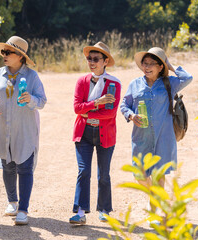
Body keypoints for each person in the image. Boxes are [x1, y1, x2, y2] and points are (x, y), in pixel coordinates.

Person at [120, 47, 192, 220]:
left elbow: (188, 78)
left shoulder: (169, 83)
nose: (147, 66)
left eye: (152, 63)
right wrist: (130, 115)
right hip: (141, 137)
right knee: (139, 174)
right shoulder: (135, 84)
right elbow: (124, 104)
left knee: (159, 174)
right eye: (145, 63)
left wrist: (170, 65)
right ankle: (154, 196)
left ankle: (154, 211)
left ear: (161, 67)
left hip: (163, 136)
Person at [0, 36, 47, 225]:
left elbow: (42, 101)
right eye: (3, 52)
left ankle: (23, 209)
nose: (4, 55)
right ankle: (12, 201)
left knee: (25, 168)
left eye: (8, 52)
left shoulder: (32, 76)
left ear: (20, 56)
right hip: (3, 128)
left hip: (24, 129)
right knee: (8, 166)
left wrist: (31, 99)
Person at [70, 42, 121, 225]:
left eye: (96, 59)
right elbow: (77, 108)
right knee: (83, 171)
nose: (91, 62)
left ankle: (105, 210)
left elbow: (111, 113)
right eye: (89, 58)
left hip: (105, 133)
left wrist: (88, 111)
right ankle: (80, 212)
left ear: (105, 61)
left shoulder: (114, 83)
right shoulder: (82, 81)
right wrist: (97, 102)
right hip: (83, 132)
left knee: (104, 174)